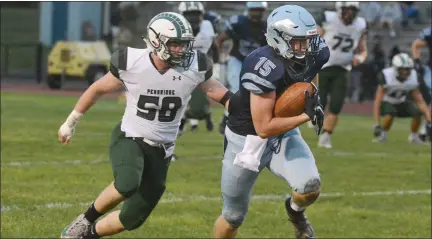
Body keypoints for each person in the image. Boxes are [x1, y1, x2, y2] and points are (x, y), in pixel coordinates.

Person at [58, 12, 232, 239]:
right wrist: (70, 122)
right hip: (130, 137)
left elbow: (224, 96)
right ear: (157, 41)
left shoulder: (194, 66)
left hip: (163, 149)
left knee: (132, 218)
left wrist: (248, 114)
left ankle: (86, 235)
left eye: (184, 45)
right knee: (127, 183)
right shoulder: (132, 62)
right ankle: (85, 219)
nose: (182, 50)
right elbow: (97, 88)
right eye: (175, 44)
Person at [212, 5, 329, 239]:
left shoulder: (315, 52)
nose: (306, 48)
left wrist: (311, 94)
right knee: (233, 216)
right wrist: (307, 115)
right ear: (279, 39)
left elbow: (312, 72)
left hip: (283, 133)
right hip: (247, 139)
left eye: (308, 40)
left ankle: (295, 212)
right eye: (298, 42)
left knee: (310, 186)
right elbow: (263, 127)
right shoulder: (262, 65)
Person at [316, 1, 368, 149]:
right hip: (324, 67)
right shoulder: (329, 19)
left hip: (343, 69)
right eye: (347, 10)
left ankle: (326, 136)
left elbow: (363, 49)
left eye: (352, 10)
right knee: (319, 102)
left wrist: (360, 58)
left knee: (337, 104)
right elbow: (314, 38)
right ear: (340, 9)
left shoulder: (360, 25)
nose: (349, 13)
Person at [215, 1, 268, 134]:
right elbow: (221, 39)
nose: (256, 13)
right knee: (236, 89)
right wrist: (218, 56)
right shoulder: (240, 23)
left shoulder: (266, 27)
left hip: (256, 63)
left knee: (255, 92)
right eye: (254, 10)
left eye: (259, 10)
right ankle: (227, 119)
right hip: (237, 59)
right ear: (249, 11)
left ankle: (235, 118)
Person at [373, 53, 431, 143]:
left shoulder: (413, 78)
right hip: (386, 101)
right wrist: (377, 123)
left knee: (418, 112)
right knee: (390, 113)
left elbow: (420, 101)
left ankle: (414, 137)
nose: (405, 72)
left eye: (407, 69)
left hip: (401, 101)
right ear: (395, 68)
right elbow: (377, 101)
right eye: (402, 69)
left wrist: (429, 121)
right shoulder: (386, 76)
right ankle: (383, 136)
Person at [177, 1, 217, 135]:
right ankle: (178, 124)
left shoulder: (207, 26)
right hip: (179, 68)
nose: (193, 18)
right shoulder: (175, 28)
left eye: (196, 14)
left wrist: (214, 61)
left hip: (200, 68)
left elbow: (214, 46)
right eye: (189, 14)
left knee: (199, 104)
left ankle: (203, 117)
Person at [412, 26, 432, 141]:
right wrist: (417, 61)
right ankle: (425, 128)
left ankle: (425, 129)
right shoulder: (429, 33)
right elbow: (416, 45)